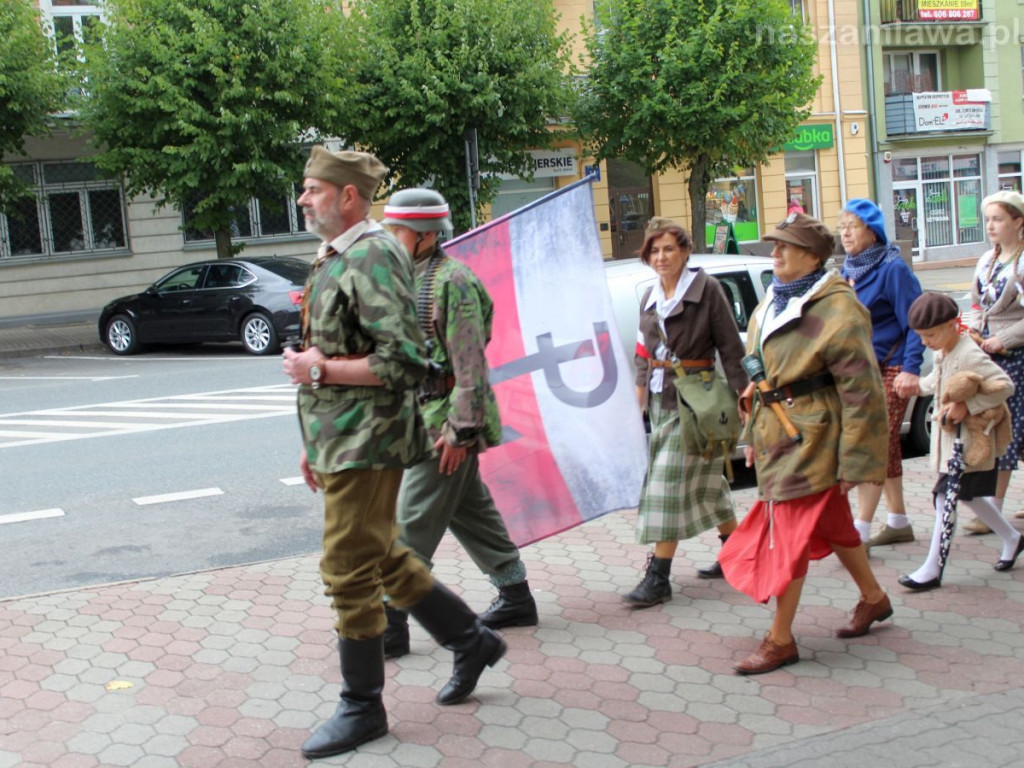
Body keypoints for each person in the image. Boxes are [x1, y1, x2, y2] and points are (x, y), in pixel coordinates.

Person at [281, 147, 505, 760]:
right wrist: (314, 443)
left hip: (368, 439)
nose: (303, 199)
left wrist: (317, 370)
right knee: (382, 556)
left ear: (348, 195)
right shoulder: (337, 257)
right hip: (342, 438)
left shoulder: (374, 254)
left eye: (313, 189)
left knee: (346, 567)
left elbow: (402, 362)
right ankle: (469, 640)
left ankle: (363, 706)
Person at [719, 213, 893, 675]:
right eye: (774, 246)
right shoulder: (770, 301)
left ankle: (780, 639)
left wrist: (856, 461)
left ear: (814, 256)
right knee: (833, 525)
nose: (773, 254)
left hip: (813, 437)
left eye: (784, 247)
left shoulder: (839, 308)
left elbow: (862, 391)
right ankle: (874, 599)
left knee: (788, 537)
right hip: (776, 434)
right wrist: (751, 434)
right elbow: (757, 374)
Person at [378, 188, 538, 659]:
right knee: (473, 513)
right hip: (423, 416)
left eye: (397, 230)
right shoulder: (410, 277)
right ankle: (516, 597)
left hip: (448, 421)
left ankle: (390, 622)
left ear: (425, 236)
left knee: (411, 523)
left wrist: (461, 432)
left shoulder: (453, 282)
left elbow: (469, 365)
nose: (391, 237)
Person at [623, 221, 748, 607]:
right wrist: (639, 394)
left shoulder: (706, 289)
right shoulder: (648, 296)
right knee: (709, 485)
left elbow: (730, 344)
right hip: (663, 402)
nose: (661, 257)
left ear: (685, 252)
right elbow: (645, 350)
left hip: (697, 399)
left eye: (668, 250)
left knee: (666, 483)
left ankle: (658, 576)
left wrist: (744, 392)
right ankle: (738, 552)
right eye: (654, 251)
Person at [897, 292, 1024, 590]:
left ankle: (932, 569)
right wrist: (917, 385)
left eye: (931, 334)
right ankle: (1012, 538)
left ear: (954, 324)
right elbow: (937, 382)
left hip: (968, 446)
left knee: (945, 498)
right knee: (968, 496)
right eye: (921, 336)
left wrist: (969, 406)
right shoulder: (944, 351)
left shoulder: (969, 353)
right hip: (952, 446)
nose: (926, 341)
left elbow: (1005, 386)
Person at [838, 199, 925, 548]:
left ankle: (858, 531)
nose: (845, 233)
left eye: (853, 226)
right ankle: (899, 520)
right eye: (842, 226)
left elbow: (916, 322)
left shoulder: (893, 269)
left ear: (872, 232)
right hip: (862, 370)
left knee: (874, 444)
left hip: (893, 367)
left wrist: (911, 370)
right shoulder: (849, 268)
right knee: (885, 445)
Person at [969, 190, 1024, 530]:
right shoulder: (987, 260)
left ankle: (994, 508)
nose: (990, 225)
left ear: (1018, 223)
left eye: (998, 219)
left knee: (1007, 428)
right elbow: (976, 305)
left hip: (1016, 355)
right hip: (989, 355)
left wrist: (1000, 339)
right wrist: (973, 332)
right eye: (988, 218)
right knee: (997, 427)